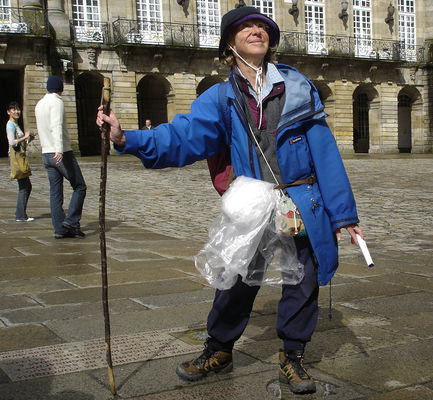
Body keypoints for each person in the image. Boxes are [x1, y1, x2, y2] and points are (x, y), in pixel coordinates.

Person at [97, 6, 363, 395]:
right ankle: (218, 349)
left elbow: (326, 153)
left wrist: (343, 215)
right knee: (237, 279)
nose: (257, 30)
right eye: (245, 27)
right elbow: (182, 137)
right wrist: (126, 139)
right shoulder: (221, 98)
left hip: (303, 199)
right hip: (253, 204)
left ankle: (293, 358)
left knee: (304, 280)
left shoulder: (298, 87)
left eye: (263, 26)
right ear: (228, 44)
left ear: (271, 41)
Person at [35, 76, 87, 239]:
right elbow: (56, 125)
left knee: (55, 193)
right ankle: (71, 221)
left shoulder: (39, 104)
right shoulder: (57, 101)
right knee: (80, 186)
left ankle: (59, 229)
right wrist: (59, 149)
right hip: (60, 152)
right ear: (60, 88)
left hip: (46, 153)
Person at [6, 101, 35, 222]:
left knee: (25, 186)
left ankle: (20, 213)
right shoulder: (10, 125)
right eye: (13, 109)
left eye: (17, 109)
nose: (16, 111)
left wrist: (29, 139)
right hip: (16, 158)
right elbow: (12, 142)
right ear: (8, 112)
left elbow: (21, 143)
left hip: (20, 156)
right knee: (25, 186)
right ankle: (20, 215)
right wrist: (25, 136)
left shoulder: (15, 124)